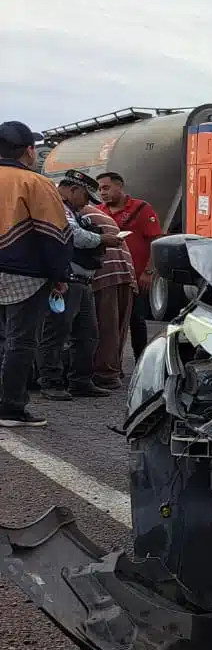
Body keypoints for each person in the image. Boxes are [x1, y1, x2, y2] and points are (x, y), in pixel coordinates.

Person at [0, 121, 71, 427]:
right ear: (29, 150)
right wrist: (60, 274)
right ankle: (11, 408)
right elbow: (54, 234)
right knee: (21, 341)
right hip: (25, 275)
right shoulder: (35, 183)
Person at [38, 170, 109, 400]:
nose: (87, 204)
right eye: (86, 198)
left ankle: (80, 380)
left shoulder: (71, 210)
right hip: (65, 280)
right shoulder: (58, 207)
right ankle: (51, 382)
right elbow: (74, 236)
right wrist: (101, 239)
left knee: (87, 334)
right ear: (74, 190)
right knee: (56, 333)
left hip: (81, 281)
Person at [98, 170, 163, 355]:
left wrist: (149, 272)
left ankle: (140, 359)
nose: (102, 192)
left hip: (135, 277)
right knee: (110, 323)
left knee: (137, 321)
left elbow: (154, 240)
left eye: (106, 187)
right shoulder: (100, 212)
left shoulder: (142, 209)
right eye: (99, 189)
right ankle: (112, 363)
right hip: (111, 278)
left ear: (119, 186)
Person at [86, 178, 136, 389]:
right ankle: (113, 370)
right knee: (117, 326)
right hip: (124, 269)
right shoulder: (97, 212)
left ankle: (106, 375)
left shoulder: (79, 213)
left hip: (106, 271)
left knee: (104, 325)